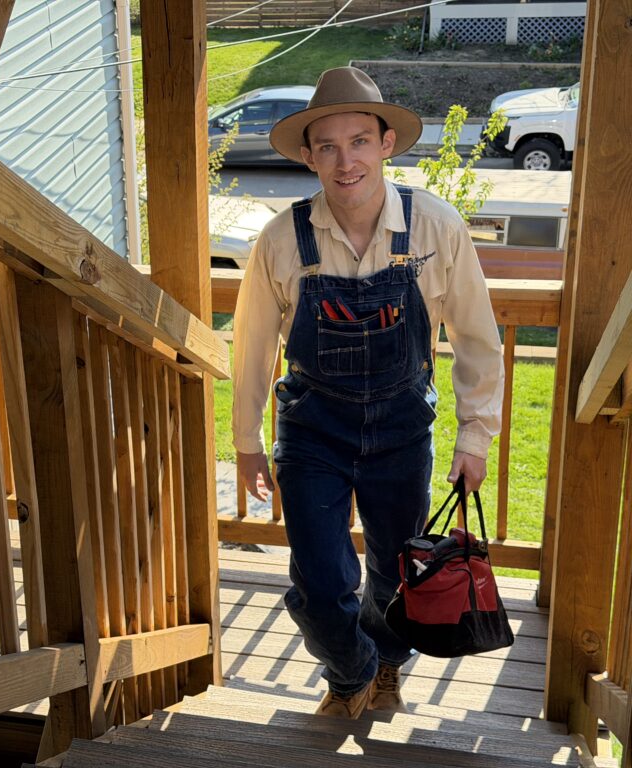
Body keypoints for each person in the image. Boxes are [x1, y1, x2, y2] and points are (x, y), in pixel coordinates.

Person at [232, 67, 504, 719]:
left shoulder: (436, 227)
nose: (345, 161)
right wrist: (246, 441)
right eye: (327, 146)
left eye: (358, 141)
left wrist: (475, 437)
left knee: (394, 570)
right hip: (312, 431)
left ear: (386, 144)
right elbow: (252, 347)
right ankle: (350, 670)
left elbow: (476, 337)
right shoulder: (282, 239)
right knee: (319, 580)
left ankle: (385, 665)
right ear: (308, 155)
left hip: (402, 430)